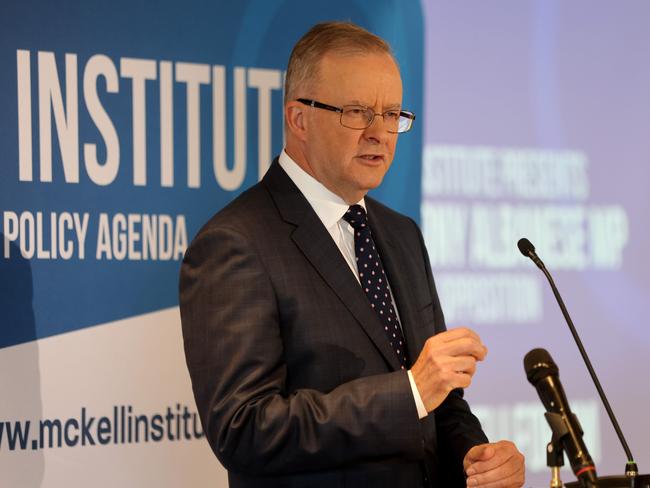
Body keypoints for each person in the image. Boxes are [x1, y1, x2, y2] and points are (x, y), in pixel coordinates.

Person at [179, 21, 525, 488]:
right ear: (299, 118)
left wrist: (477, 457)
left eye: (392, 114)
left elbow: (440, 403)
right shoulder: (236, 242)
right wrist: (408, 393)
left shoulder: (402, 234)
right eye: (357, 111)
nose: (379, 133)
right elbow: (244, 429)